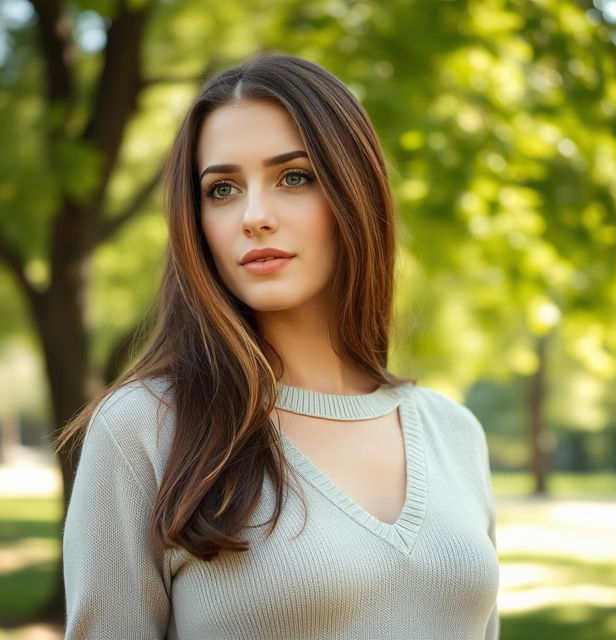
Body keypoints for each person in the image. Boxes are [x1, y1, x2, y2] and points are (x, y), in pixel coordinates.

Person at [56, 51, 500, 639]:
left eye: (294, 177)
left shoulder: (454, 432)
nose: (254, 216)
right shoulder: (145, 429)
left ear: (355, 192)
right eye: (221, 189)